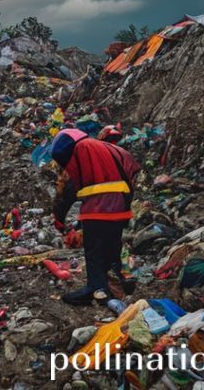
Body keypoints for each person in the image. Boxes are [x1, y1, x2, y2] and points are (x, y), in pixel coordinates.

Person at [51, 129, 140, 305]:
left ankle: (97, 289)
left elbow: (67, 191)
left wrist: (59, 220)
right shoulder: (110, 148)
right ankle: (119, 280)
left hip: (97, 208)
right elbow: (132, 172)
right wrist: (126, 206)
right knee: (112, 245)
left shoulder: (80, 151)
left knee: (94, 250)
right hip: (120, 207)